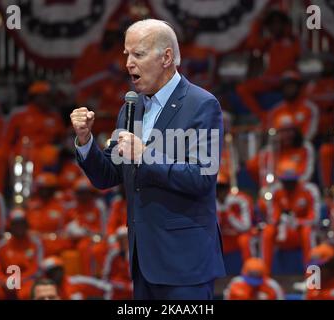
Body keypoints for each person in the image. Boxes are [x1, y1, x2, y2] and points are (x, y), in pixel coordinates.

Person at [70, 18, 225, 300]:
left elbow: (202, 176)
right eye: (126, 54)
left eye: (138, 54)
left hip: (185, 263)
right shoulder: (131, 108)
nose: (128, 63)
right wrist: (85, 141)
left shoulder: (201, 104)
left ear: (166, 57)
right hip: (143, 262)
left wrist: (145, 155)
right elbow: (108, 176)